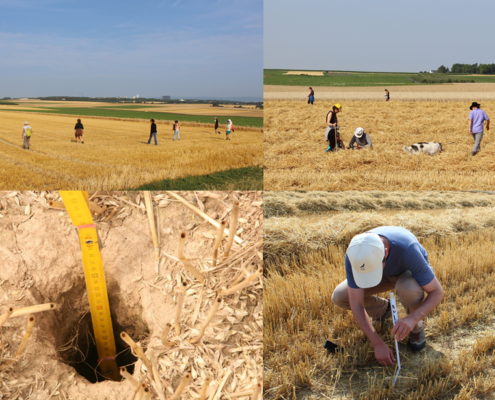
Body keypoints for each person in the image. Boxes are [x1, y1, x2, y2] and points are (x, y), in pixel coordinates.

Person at [332, 227, 444, 366]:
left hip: (408, 274)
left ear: (385, 253)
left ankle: (416, 328)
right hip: (385, 275)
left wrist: (412, 318)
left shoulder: (408, 249)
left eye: (373, 269)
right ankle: (383, 309)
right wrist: (377, 343)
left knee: (408, 288)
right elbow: (356, 303)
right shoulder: (356, 253)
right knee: (340, 296)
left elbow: (437, 292)